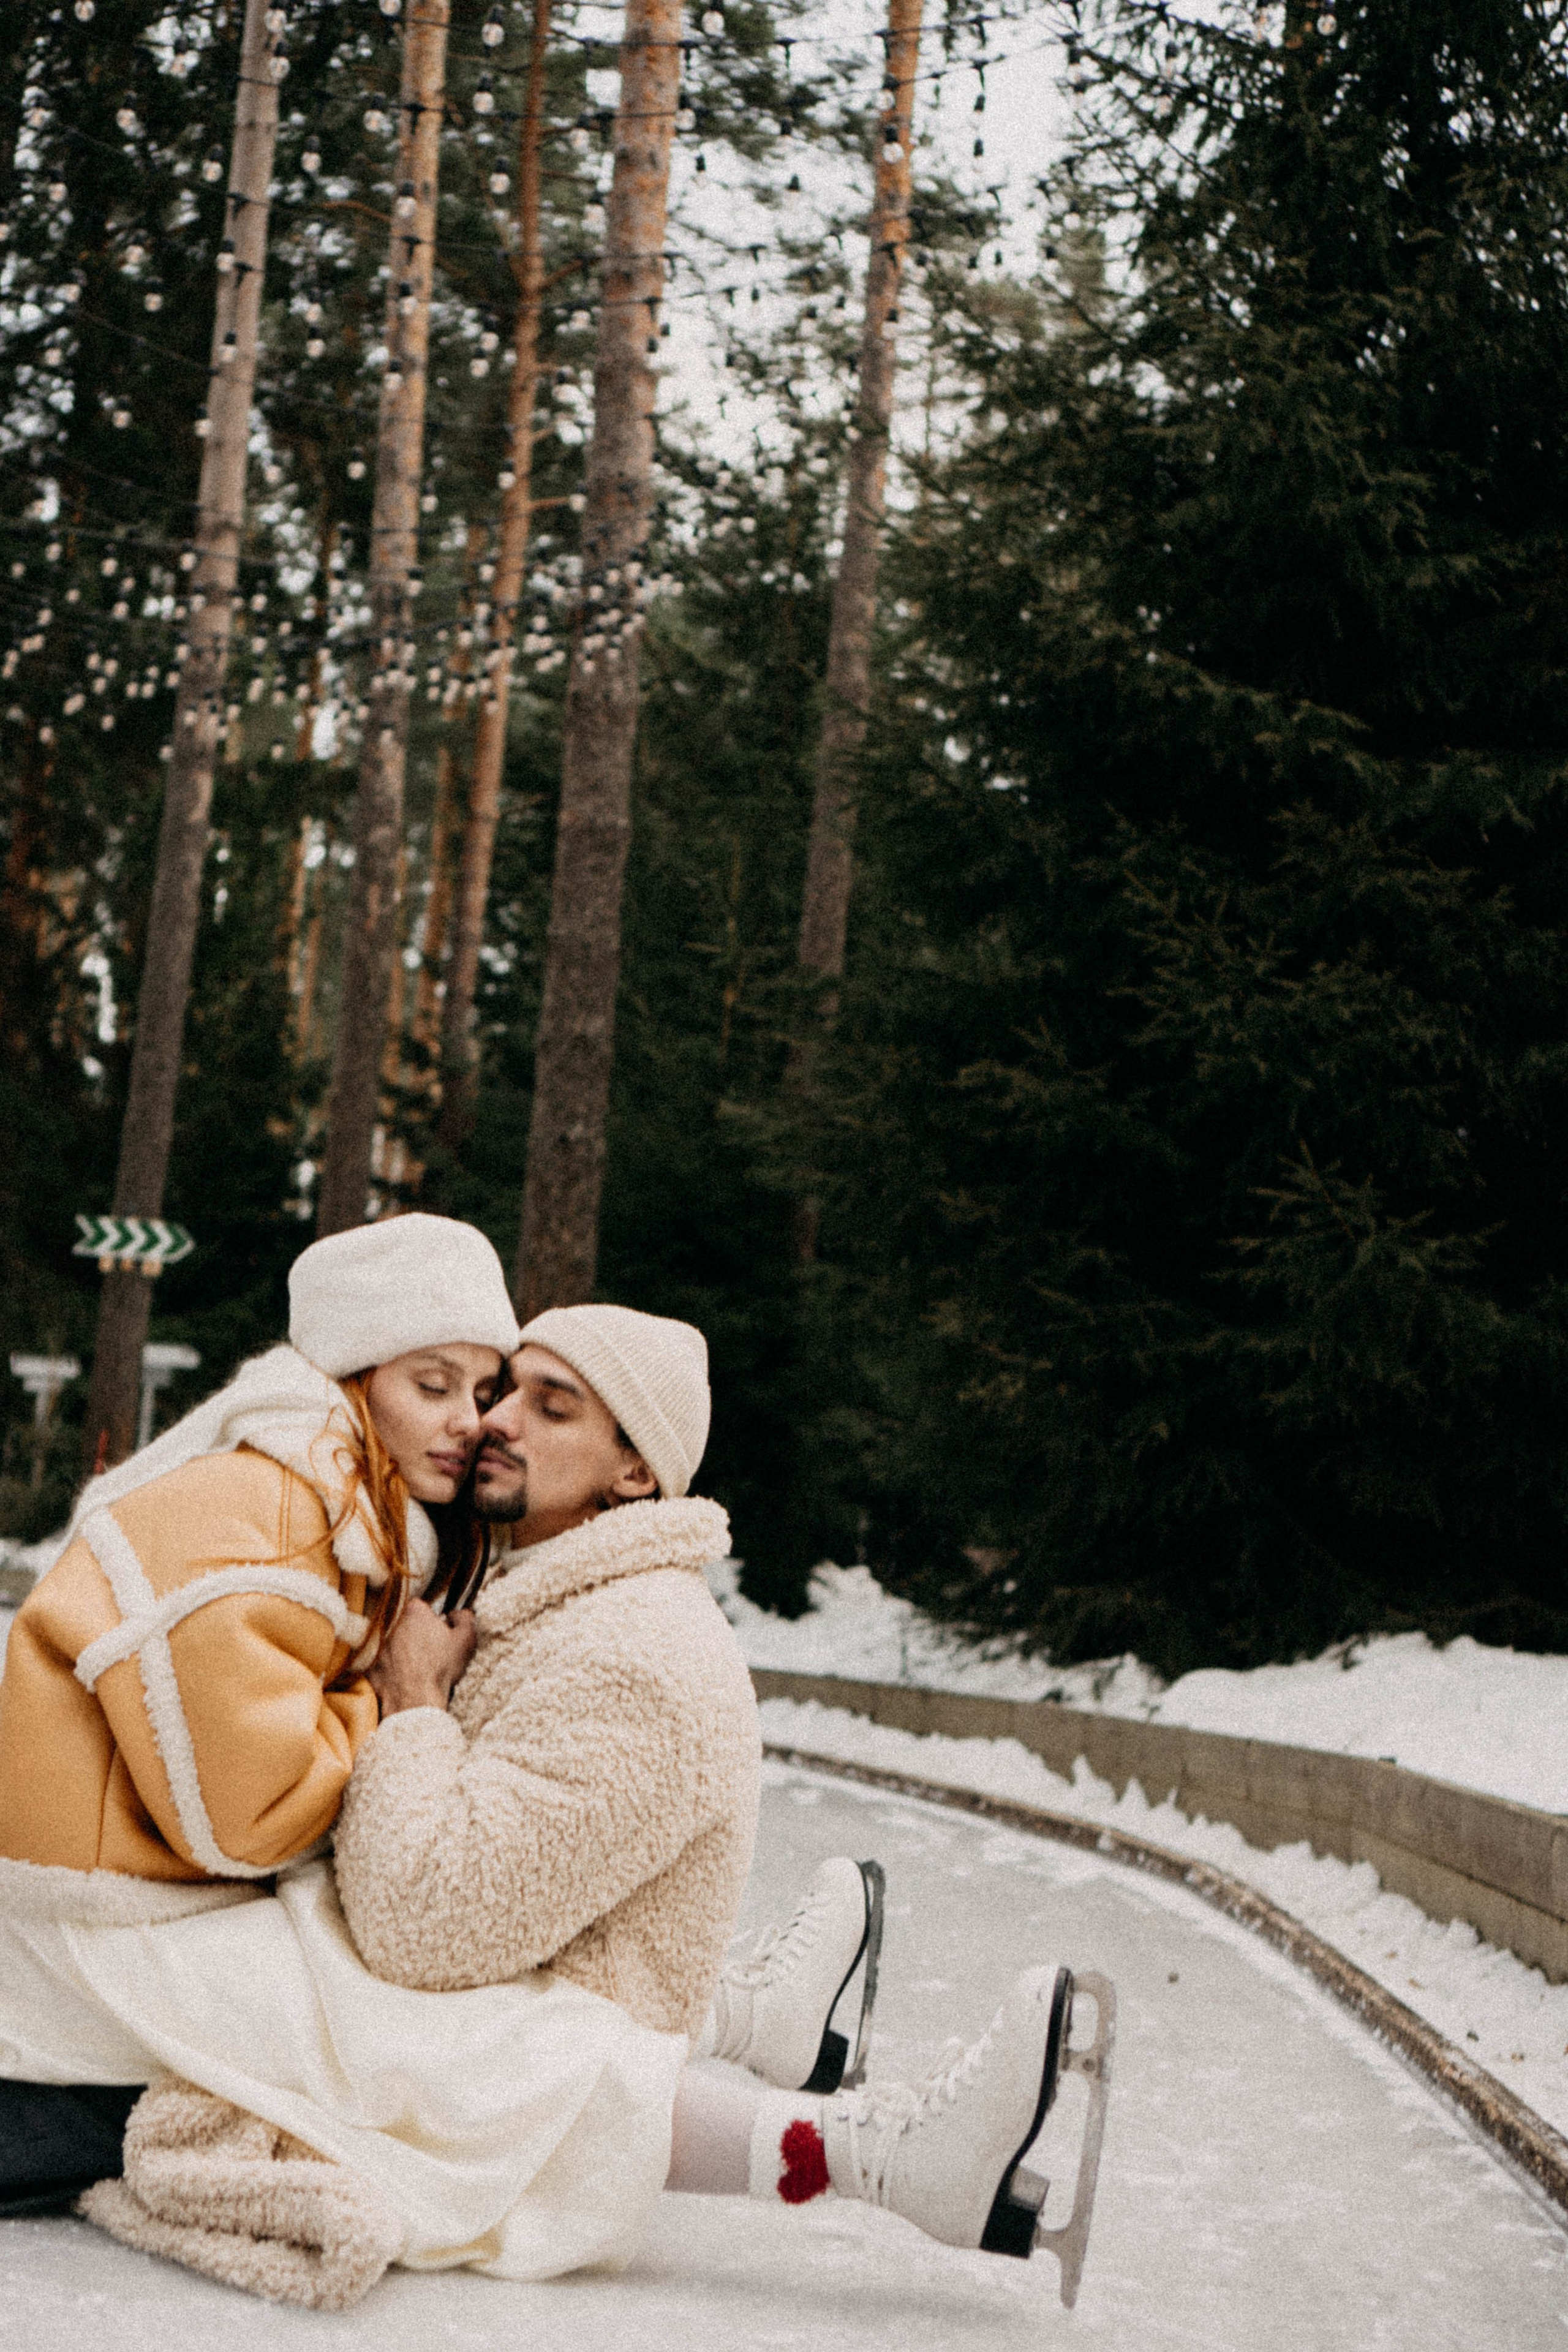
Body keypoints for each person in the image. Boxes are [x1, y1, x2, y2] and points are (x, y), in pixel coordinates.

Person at [15, 1304, 1101, 2309]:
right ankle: (765, 2027)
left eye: (551, 1405)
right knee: (153, 1971)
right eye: (504, 1389)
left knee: (408, 2030)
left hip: (485, 1989)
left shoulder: (641, 1659)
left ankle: (879, 2151)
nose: (494, 1421)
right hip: (391, 1963)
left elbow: (421, 1927)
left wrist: (414, 1701)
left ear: (633, 1470)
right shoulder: (524, 1595)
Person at [0, 1212, 520, 2207]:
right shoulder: (277, 1511)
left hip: (136, 1896)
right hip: (93, 1925)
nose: (469, 1421)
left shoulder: (340, 1513)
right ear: (354, 1379)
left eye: (483, 1391)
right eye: (432, 1383)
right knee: (402, 2043)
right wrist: (404, 1701)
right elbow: (253, 1814)